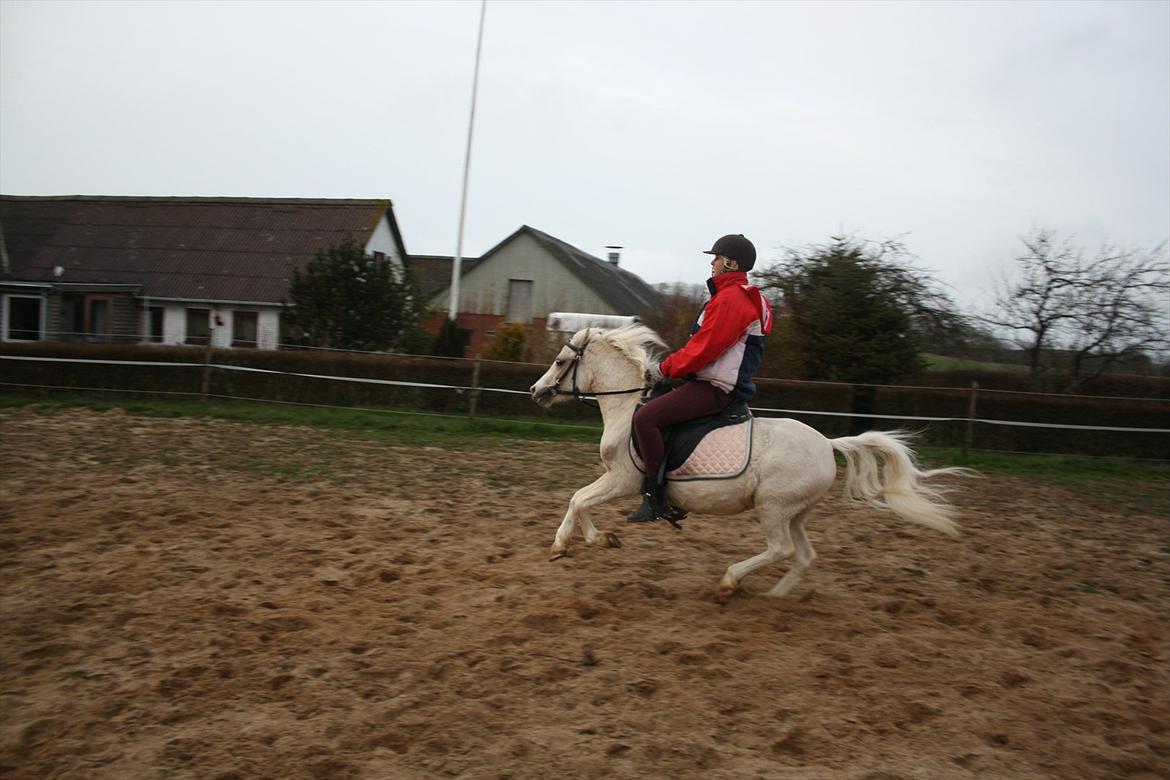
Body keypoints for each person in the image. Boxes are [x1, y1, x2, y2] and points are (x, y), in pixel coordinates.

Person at [628, 233, 773, 523]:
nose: (712, 262)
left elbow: (703, 349)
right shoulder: (739, 296)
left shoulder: (731, 300)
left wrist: (664, 369)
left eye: (717, 257)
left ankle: (655, 496)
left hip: (717, 388)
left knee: (646, 419)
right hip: (713, 382)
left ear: (731, 262)